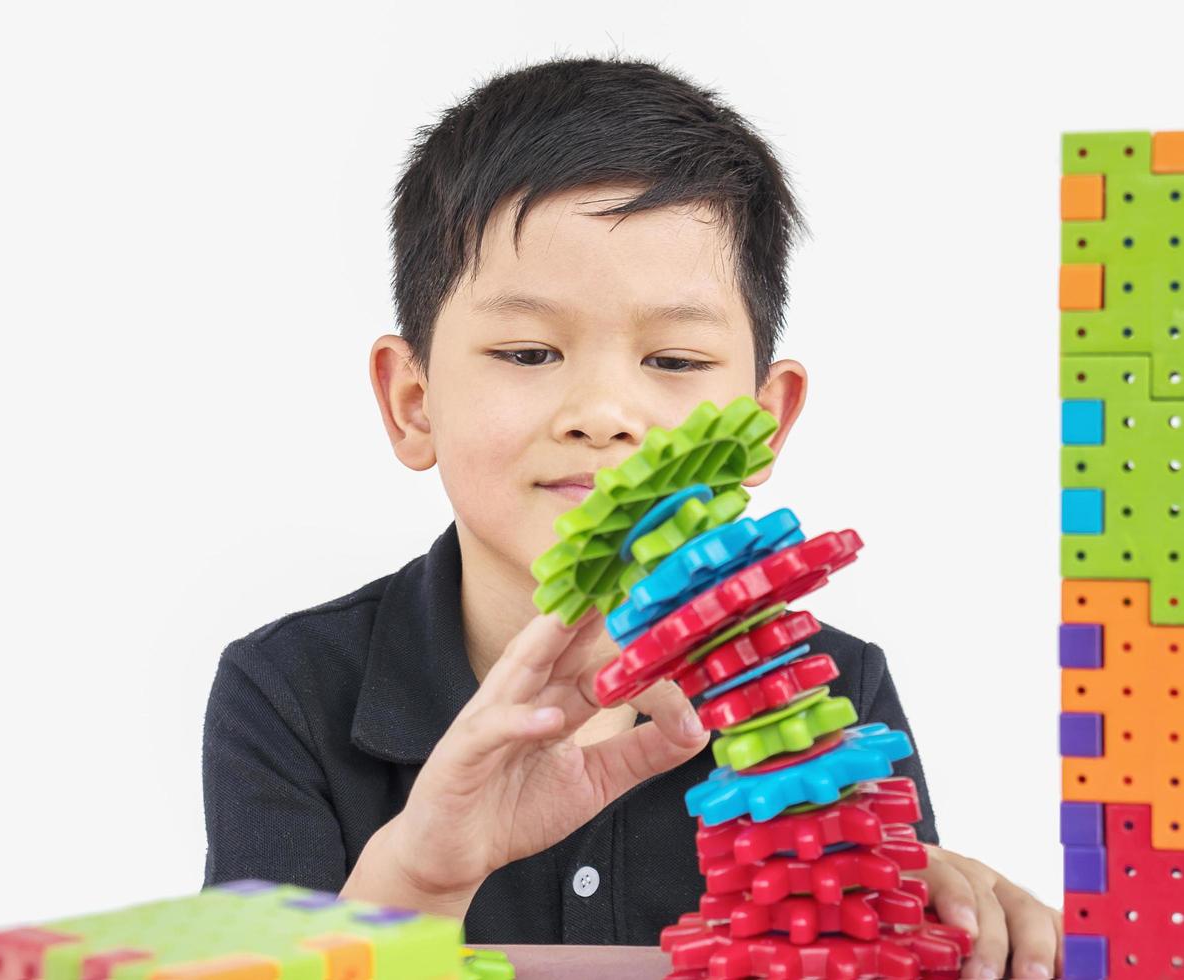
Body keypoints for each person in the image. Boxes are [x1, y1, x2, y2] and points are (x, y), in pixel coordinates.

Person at [202, 54, 1062, 978]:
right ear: (413, 402)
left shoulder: (832, 688)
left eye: (677, 361)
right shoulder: (287, 690)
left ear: (761, 424)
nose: (605, 411)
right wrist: (418, 878)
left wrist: (916, 913)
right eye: (529, 351)